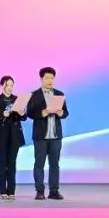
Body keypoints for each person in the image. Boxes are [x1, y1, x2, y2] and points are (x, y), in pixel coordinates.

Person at [26, 66, 68, 201]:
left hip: (55, 136)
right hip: (40, 136)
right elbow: (29, 113)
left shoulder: (59, 94)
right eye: (47, 78)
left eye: (52, 78)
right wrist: (42, 113)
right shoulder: (34, 95)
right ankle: (39, 191)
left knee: (54, 164)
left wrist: (61, 113)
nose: (50, 80)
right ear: (41, 79)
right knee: (39, 164)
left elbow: (66, 112)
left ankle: (54, 191)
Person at [0, 75, 27, 200]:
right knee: (2, 162)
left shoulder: (17, 99)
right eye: (7, 85)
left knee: (12, 162)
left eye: (12, 85)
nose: (10, 88)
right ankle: (2, 191)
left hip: (14, 134)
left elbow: (24, 117)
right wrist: (2, 114)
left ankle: (11, 190)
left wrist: (22, 113)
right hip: (1, 135)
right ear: (2, 85)